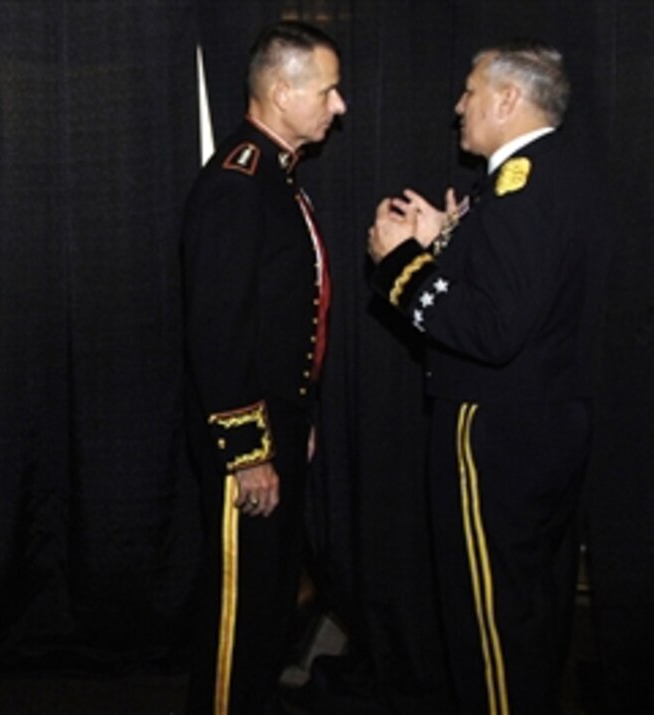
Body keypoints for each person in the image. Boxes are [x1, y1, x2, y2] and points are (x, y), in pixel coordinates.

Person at [367, 40, 610, 714]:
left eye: (470, 92)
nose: (458, 107)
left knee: (491, 620)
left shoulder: (520, 185)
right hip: (551, 419)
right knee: (535, 606)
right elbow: (527, 290)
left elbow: (489, 330)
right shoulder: (564, 169)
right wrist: (448, 238)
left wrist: (401, 262)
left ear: (508, 99)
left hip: (494, 427)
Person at [181, 20, 346, 715]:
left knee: (271, 603)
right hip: (244, 444)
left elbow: (283, 324)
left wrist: (296, 418)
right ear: (282, 92)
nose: (340, 107)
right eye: (329, 91)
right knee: (238, 613)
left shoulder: (277, 180)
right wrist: (250, 453)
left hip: (279, 426)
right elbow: (218, 335)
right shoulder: (237, 185)